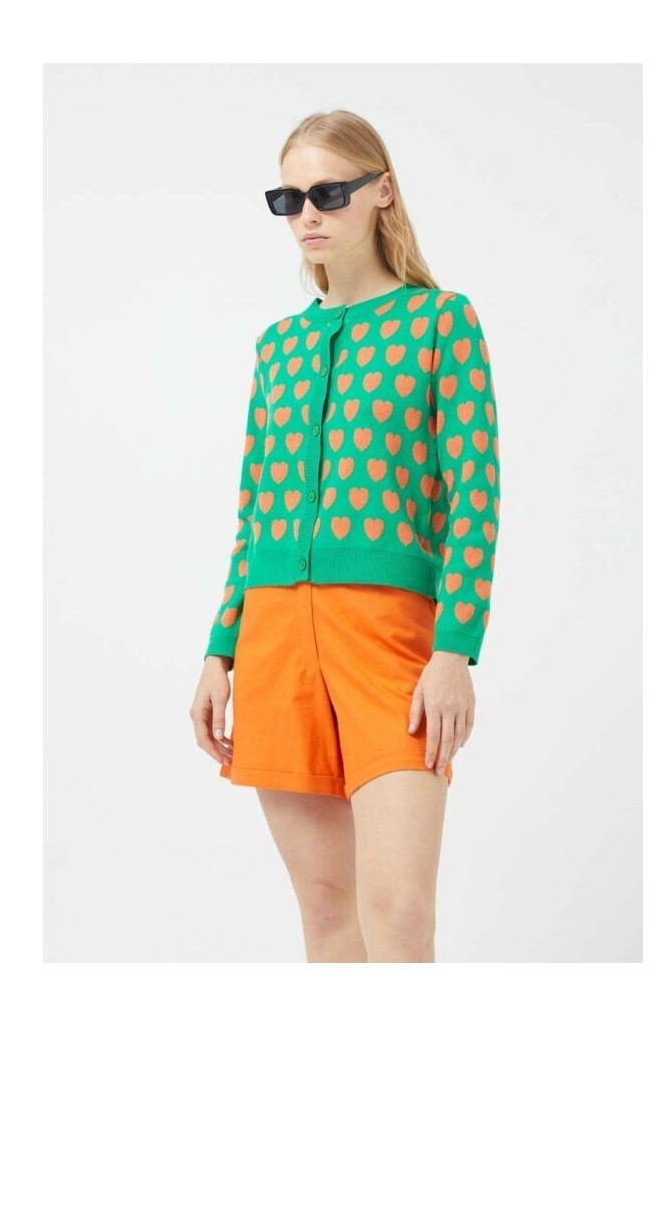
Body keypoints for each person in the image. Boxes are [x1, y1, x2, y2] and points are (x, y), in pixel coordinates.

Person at [189, 109, 501, 962]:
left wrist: (454, 649)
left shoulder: (440, 322)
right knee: (328, 917)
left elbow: (474, 498)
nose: (308, 215)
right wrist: (219, 650)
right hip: (276, 642)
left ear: (382, 191)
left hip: (389, 643)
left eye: (329, 193)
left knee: (397, 913)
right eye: (288, 198)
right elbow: (254, 513)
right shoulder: (278, 348)